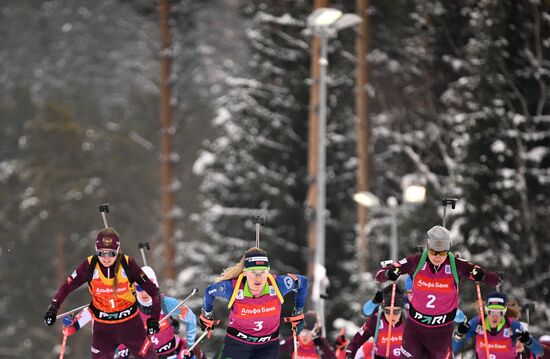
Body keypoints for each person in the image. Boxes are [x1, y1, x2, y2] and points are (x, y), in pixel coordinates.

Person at [374, 225, 502, 359]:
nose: (437, 256)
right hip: (415, 329)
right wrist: (388, 274)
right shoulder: (415, 261)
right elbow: (378, 275)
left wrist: (484, 276)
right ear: (428, 247)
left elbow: (493, 279)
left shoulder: (456, 265)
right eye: (433, 252)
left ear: (448, 249)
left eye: (442, 252)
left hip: (442, 332)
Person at [43, 227, 161, 358]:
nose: (106, 258)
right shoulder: (89, 265)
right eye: (101, 253)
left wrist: (153, 320)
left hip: (131, 326)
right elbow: (67, 287)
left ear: (117, 251)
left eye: (110, 253)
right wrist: (53, 308)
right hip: (104, 330)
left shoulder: (128, 264)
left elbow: (154, 291)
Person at [63, 265, 199, 359]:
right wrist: (74, 325)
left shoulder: (167, 304)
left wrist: (190, 345)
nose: (144, 292)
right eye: (139, 288)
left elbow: (191, 319)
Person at [199, 247, 308, 359]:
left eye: (263, 272)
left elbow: (303, 282)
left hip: (267, 347)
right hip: (236, 344)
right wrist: (207, 314)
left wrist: (298, 312)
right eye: (253, 272)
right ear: (245, 272)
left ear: (268, 270)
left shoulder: (278, 285)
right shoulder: (232, 288)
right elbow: (209, 291)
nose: (258, 278)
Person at [452, 292, 543, 359]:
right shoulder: (477, 323)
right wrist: (458, 334)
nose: (495, 316)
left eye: (499, 312)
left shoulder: (513, 325)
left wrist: (528, 341)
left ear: (504, 313)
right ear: (487, 311)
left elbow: (539, 352)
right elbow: (454, 349)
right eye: (491, 311)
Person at [346, 284, 406, 359]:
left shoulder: (409, 318)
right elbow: (355, 342)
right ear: (383, 309)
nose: (392, 316)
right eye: (387, 311)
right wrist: (349, 356)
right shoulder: (376, 320)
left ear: (402, 310)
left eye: (396, 312)